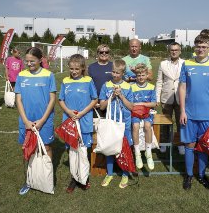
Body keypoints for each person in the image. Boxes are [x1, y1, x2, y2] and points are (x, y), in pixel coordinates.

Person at [179, 34, 209, 190]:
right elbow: (182, 88)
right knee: (189, 145)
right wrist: (182, 111)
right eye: (198, 46)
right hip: (189, 114)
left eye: (204, 47)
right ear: (194, 47)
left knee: (204, 146)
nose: (201, 49)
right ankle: (189, 175)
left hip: (208, 114)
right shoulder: (186, 64)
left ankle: (202, 175)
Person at [15, 47, 57, 195]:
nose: (29, 64)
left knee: (46, 148)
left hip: (44, 120)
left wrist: (43, 120)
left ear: (41, 60)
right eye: (26, 61)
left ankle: (47, 180)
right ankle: (28, 180)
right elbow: (18, 99)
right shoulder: (21, 75)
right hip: (26, 121)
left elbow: (52, 99)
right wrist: (26, 121)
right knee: (28, 149)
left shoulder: (49, 75)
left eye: (32, 61)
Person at [59, 54, 98, 192]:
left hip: (84, 121)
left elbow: (94, 99)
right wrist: (69, 112)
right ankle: (74, 178)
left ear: (82, 68)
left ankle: (84, 178)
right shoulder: (65, 81)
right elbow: (61, 100)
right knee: (72, 151)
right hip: (70, 121)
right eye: (71, 69)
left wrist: (82, 113)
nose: (74, 71)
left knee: (82, 150)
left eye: (76, 69)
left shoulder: (88, 80)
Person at [99, 59, 134, 189]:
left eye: (118, 73)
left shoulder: (128, 86)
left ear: (123, 73)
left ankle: (125, 173)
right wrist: (112, 97)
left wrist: (122, 96)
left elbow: (131, 107)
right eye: (113, 72)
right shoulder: (106, 85)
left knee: (124, 147)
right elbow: (102, 106)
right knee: (109, 147)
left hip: (124, 122)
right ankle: (110, 173)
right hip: (110, 122)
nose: (115, 75)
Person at [156, 42, 185, 155]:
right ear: (169, 51)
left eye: (176, 50)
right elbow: (159, 82)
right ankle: (163, 143)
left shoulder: (185, 63)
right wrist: (157, 98)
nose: (174, 52)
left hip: (180, 97)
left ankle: (180, 144)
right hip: (166, 98)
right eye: (172, 50)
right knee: (165, 123)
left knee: (181, 122)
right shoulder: (163, 64)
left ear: (180, 51)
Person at [131, 63, 157, 170]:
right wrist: (138, 105)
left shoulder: (151, 87)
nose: (141, 77)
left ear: (147, 76)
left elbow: (154, 103)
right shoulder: (131, 87)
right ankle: (137, 154)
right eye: (138, 75)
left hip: (147, 112)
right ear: (135, 76)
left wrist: (143, 104)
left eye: (143, 75)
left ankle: (148, 153)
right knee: (135, 126)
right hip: (136, 112)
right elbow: (131, 103)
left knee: (147, 126)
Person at [88, 44, 113, 117]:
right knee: (97, 126)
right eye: (101, 52)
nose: (104, 53)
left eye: (106, 52)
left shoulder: (114, 66)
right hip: (96, 103)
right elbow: (88, 86)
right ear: (97, 53)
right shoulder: (91, 67)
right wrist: (92, 101)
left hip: (111, 102)